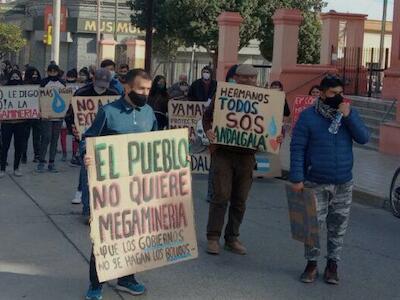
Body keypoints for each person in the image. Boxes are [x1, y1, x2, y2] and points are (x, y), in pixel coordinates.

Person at [83, 69, 156, 300]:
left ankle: (127, 278)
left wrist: (175, 158)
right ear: (127, 88)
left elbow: (156, 142)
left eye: (148, 89)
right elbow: (89, 139)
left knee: (134, 233)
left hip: (138, 187)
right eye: (140, 89)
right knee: (104, 235)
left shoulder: (149, 112)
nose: (145, 94)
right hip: (110, 186)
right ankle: (96, 283)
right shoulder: (108, 112)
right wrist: (88, 153)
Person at [290, 75, 369, 285]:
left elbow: (364, 137)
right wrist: (297, 177)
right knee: (312, 225)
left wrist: (349, 116)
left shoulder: (348, 114)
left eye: (340, 93)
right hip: (315, 181)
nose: (338, 97)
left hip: (343, 182)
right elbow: (297, 148)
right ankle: (312, 264)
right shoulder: (308, 117)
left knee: (338, 226)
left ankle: (333, 264)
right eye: (333, 93)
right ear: (323, 93)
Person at [202, 64, 259, 255]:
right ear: (236, 78)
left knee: (240, 199)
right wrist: (209, 130)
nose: (248, 81)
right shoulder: (223, 95)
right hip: (223, 154)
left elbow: (268, 126)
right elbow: (207, 117)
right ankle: (213, 237)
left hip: (247, 156)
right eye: (244, 77)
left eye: (252, 78)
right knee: (220, 195)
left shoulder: (263, 100)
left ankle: (232, 237)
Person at [67, 68, 120, 208]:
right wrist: (73, 128)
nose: (102, 85)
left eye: (105, 82)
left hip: (106, 134)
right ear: (94, 79)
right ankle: (81, 191)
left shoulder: (114, 94)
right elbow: (70, 114)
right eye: (100, 82)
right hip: (86, 134)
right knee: (87, 164)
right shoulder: (81, 93)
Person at [36, 63, 66, 173]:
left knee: (55, 138)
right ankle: (41, 161)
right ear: (48, 72)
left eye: (55, 71)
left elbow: (66, 97)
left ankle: (51, 162)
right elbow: (39, 97)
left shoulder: (62, 83)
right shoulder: (44, 82)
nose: (53, 73)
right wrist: (40, 110)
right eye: (51, 71)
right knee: (46, 137)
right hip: (46, 115)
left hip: (58, 116)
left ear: (58, 72)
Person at [0, 70, 28, 178]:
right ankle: (2, 168)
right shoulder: (4, 89)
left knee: (18, 146)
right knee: (4, 146)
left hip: (20, 123)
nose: (15, 78)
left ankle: (16, 168)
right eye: (13, 76)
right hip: (7, 123)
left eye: (17, 76)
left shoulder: (25, 90)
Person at [22, 67, 42, 163]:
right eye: (33, 75)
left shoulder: (41, 85)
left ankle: (37, 155)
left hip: (37, 115)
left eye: (36, 75)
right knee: (25, 136)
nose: (35, 76)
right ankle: (23, 154)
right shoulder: (23, 86)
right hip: (26, 115)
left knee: (36, 137)